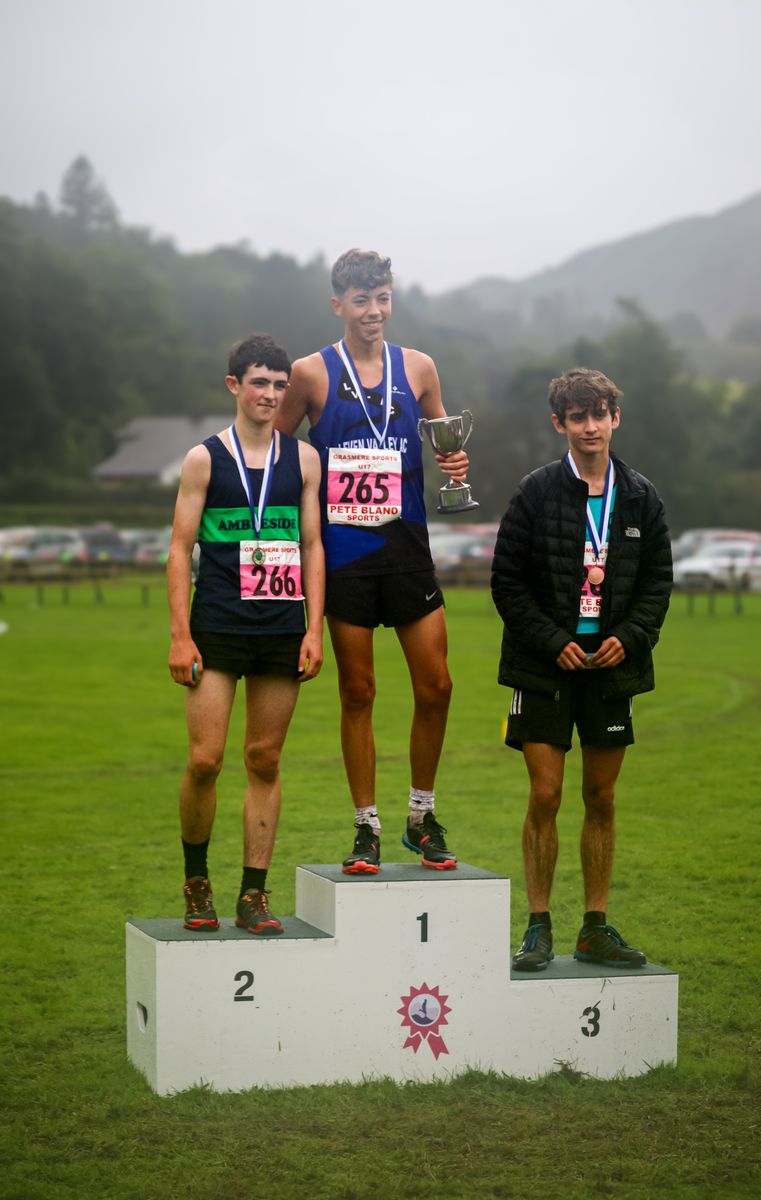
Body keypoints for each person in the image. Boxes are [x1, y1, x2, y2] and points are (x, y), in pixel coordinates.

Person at [276, 248, 468, 875]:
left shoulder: (418, 367)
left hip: (407, 546)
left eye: (382, 298)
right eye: (361, 300)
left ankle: (421, 814)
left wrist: (455, 466)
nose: (373, 311)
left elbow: (444, 440)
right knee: (358, 691)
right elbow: (275, 455)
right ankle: (367, 827)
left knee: (436, 686)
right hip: (345, 554)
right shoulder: (309, 372)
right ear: (338, 305)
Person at [491, 368, 672, 970]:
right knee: (545, 793)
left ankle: (594, 926)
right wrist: (550, 641)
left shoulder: (642, 497)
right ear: (559, 424)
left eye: (600, 414)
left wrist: (631, 635)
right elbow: (506, 583)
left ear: (615, 418)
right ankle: (538, 925)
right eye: (578, 416)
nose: (590, 426)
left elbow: (656, 584)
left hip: (610, 668)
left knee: (601, 796)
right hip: (544, 667)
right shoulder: (535, 492)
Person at [167, 333, 324, 934]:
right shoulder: (204, 458)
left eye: (280, 385)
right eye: (260, 382)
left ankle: (253, 893)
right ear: (235, 386)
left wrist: (315, 629)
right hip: (218, 627)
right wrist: (180, 636)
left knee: (264, 757)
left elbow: (312, 546)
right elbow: (180, 550)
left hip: (282, 627)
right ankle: (196, 882)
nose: (271, 394)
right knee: (205, 760)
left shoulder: (303, 459)